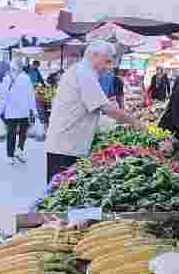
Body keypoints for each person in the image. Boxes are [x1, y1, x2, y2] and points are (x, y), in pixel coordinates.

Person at [45, 41, 143, 184]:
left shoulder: (82, 71)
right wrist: (135, 122)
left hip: (68, 143)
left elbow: (93, 105)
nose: (109, 66)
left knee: (61, 189)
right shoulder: (84, 73)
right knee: (58, 190)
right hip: (66, 146)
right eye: (107, 61)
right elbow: (105, 107)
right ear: (95, 55)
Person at [0, 60, 39, 165]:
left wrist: (0, 111)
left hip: (11, 111)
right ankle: (19, 150)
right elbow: (31, 96)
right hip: (24, 111)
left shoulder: (7, 79)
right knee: (22, 132)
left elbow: (3, 97)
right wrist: (33, 110)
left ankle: (10, 156)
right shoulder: (26, 79)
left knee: (11, 134)